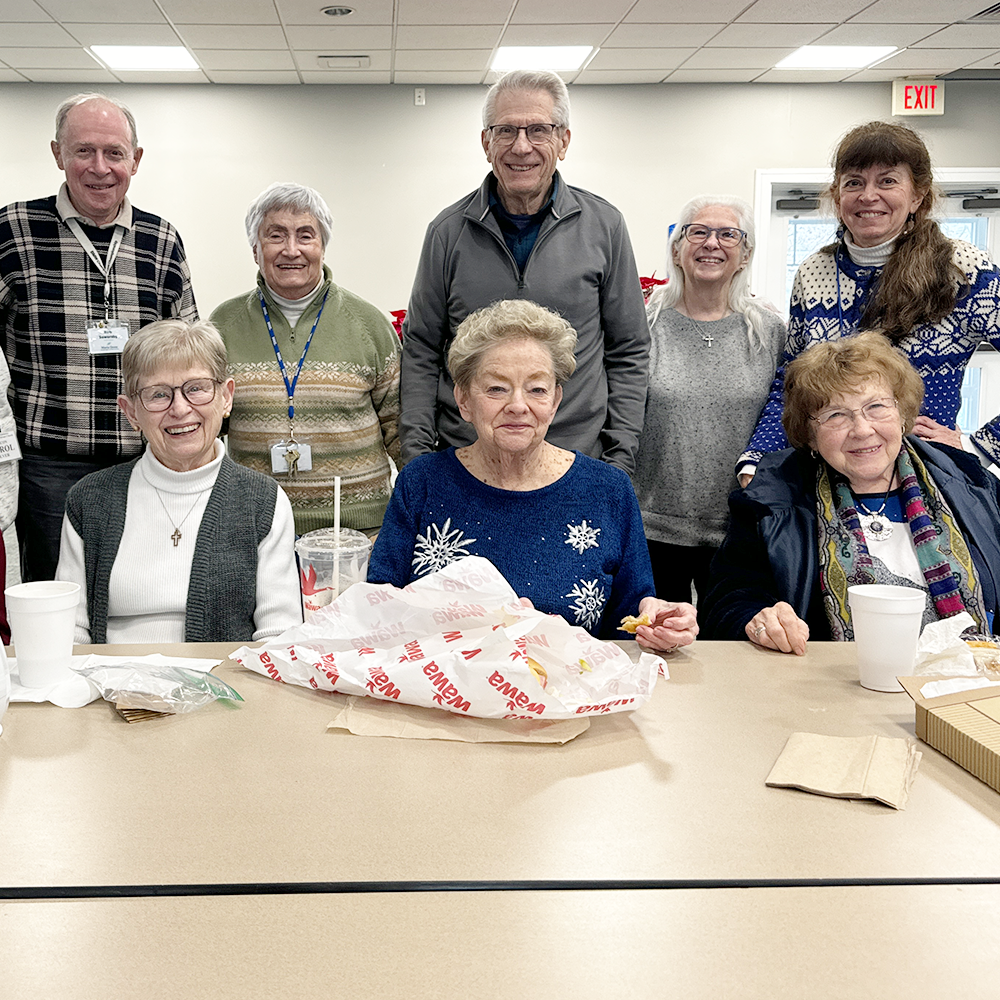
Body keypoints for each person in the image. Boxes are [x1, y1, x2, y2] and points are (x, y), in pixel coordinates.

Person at [370, 300, 697, 653]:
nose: (518, 405)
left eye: (537, 389)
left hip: (570, 696)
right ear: (463, 400)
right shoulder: (422, 481)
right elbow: (380, 610)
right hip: (442, 696)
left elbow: (631, 617)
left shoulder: (607, 490)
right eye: (496, 388)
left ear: (555, 401)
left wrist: (658, 622)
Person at [400, 69, 648, 474]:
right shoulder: (447, 232)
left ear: (563, 141)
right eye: (505, 131)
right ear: (486, 142)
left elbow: (629, 349)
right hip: (470, 462)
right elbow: (422, 349)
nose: (521, 147)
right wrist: (418, 458)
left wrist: (619, 458)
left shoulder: (605, 226)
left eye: (538, 130)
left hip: (577, 459)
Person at [0, 92, 198, 581]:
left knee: (142, 587)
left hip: (145, 459)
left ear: (136, 159)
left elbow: (189, 349)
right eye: (83, 151)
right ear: (57, 154)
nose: (99, 167)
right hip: (49, 466)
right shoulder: (14, 231)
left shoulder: (161, 239)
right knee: (57, 596)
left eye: (114, 153)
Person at [701, 333, 1000, 654]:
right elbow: (726, 599)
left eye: (876, 407)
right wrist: (759, 620)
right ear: (810, 436)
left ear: (902, 415)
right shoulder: (770, 500)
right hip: (829, 690)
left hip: (965, 685)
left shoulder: (972, 483)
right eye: (835, 415)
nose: (861, 429)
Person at [739, 120, 1000, 484]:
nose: (868, 195)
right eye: (854, 182)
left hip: (924, 476)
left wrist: (979, 446)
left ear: (918, 195)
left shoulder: (963, 269)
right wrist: (757, 460)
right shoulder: (815, 271)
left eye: (888, 181)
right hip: (826, 478)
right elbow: (792, 380)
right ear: (837, 194)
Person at [56, 320, 301, 645]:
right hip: (112, 689)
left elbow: (278, 637)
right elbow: (69, 635)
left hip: (225, 691)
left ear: (226, 397)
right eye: (158, 395)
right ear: (131, 413)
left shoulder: (263, 501)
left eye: (196, 388)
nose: (180, 408)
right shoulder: (89, 500)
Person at [211, 182, 401, 536]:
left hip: (360, 533)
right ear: (255, 249)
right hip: (257, 531)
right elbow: (206, 430)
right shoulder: (223, 326)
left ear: (323, 247)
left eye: (305, 236)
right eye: (276, 236)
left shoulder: (369, 325)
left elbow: (402, 431)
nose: (291, 250)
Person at [632, 196, 785, 604]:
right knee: (659, 648)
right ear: (676, 250)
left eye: (727, 235)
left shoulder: (770, 332)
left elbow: (784, 418)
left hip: (740, 530)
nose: (711, 243)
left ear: (745, 254)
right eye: (697, 232)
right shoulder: (642, 324)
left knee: (735, 652)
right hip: (651, 530)